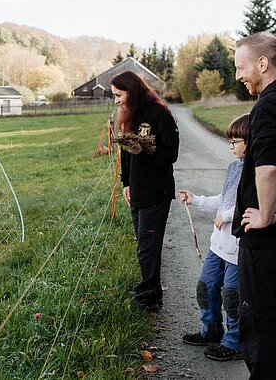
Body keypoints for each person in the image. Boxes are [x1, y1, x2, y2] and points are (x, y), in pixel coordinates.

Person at [179, 114, 249, 361]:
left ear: (250, 142)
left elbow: (255, 205)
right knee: (205, 287)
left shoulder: (257, 172)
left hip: (238, 248)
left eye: (235, 141)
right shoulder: (234, 168)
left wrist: (228, 217)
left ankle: (235, 342)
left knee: (232, 297)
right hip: (218, 246)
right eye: (229, 141)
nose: (230, 146)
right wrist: (196, 199)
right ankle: (211, 330)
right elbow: (224, 199)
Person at [111, 70, 179, 312]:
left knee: (148, 246)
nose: (117, 100)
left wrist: (146, 150)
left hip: (156, 192)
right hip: (137, 190)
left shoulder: (160, 114)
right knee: (144, 245)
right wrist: (126, 183)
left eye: (119, 95)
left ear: (133, 90)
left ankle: (148, 297)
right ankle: (153, 293)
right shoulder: (130, 115)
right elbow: (125, 154)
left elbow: (171, 154)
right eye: (114, 95)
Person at [232, 31, 276, 378]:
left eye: (241, 67)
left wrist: (266, 214)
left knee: (259, 324)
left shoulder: (266, 106)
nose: (238, 75)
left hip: (264, 243)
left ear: (262, 64)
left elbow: (268, 168)